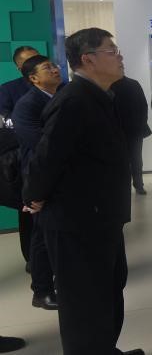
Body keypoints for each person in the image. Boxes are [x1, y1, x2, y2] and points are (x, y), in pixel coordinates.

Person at [23, 28, 143, 355]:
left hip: (100, 217)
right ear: (88, 59)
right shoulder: (75, 100)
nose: (119, 56)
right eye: (111, 51)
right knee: (83, 303)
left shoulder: (101, 95)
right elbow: (46, 157)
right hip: (76, 222)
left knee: (107, 291)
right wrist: (34, 196)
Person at [12, 55, 62, 311]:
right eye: (47, 68)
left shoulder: (61, 95)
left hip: (61, 176)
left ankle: (60, 284)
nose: (55, 70)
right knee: (42, 236)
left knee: (56, 234)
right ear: (33, 78)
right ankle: (42, 291)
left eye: (54, 65)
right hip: (40, 177)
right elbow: (41, 145)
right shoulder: (27, 105)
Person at [0, 46, 39, 272]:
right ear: (19, 67)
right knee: (28, 213)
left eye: (38, 58)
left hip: (54, 160)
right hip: (25, 161)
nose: (35, 63)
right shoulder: (9, 89)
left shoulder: (59, 85)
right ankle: (32, 259)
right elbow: (5, 122)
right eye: (28, 61)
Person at [112, 76, 151, 195]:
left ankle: (138, 184)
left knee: (136, 159)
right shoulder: (109, 84)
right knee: (122, 159)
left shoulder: (133, 84)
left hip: (134, 130)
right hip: (117, 130)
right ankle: (124, 186)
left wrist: (142, 123)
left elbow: (143, 105)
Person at [0, 46, 39, 122]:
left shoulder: (58, 84)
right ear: (20, 69)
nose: (38, 63)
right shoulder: (7, 90)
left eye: (39, 59)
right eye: (30, 61)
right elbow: (6, 118)